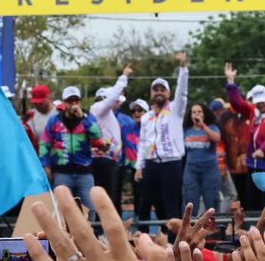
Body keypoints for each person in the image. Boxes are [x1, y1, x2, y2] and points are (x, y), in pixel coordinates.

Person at [135, 53, 189, 227]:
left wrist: (183, 68)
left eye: (162, 90)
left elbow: (182, 92)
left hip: (171, 163)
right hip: (151, 164)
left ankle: (174, 244)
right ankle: (141, 239)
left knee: (172, 203)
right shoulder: (146, 117)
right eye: (155, 90)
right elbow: (142, 143)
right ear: (151, 93)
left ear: (168, 93)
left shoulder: (175, 110)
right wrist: (139, 167)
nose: (159, 92)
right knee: (145, 203)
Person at [39, 86, 106, 214]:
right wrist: (45, 165)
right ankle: (65, 234)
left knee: (89, 207)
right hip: (61, 173)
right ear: (64, 103)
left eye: (76, 101)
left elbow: (97, 135)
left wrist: (82, 118)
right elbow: (44, 144)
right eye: (70, 101)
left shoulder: (87, 118)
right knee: (62, 208)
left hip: (84, 172)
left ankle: (89, 232)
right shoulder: (54, 120)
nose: (73, 104)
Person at [226, 68, 265, 211]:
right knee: (251, 200)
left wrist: (263, 149)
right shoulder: (253, 111)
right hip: (252, 163)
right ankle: (252, 230)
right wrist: (231, 82)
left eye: (262, 101)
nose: (260, 104)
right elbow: (237, 103)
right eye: (257, 102)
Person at [89, 65, 132, 201]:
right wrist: (123, 77)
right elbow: (112, 98)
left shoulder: (106, 113)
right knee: (105, 200)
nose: (117, 102)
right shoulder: (99, 108)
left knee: (109, 198)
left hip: (110, 159)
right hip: (103, 159)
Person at [183, 103, 222, 214]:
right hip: (191, 170)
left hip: (209, 169)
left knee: (212, 202)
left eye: (199, 112)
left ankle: (213, 229)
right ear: (190, 115)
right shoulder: (186, 130)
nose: (197, 114)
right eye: (194, 112)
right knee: (190, 202)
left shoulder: (212, 127)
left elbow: (217, 138)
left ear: (204, 114)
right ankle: (191, 228)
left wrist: (203, 126)